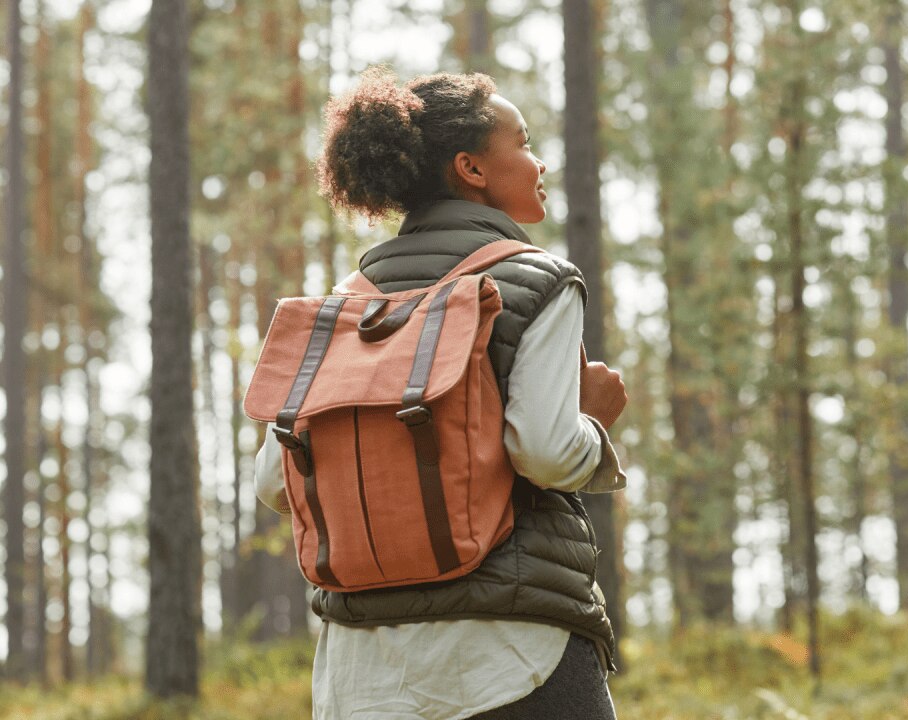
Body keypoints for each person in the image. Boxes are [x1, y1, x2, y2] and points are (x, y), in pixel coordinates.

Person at [253, 67, 628, 720]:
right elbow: (543, 452)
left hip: (360, 671)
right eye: (524, 140)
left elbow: (275, 483)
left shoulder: (344, 305)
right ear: (471, 168)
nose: (539, 161)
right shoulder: (535, 279)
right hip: (512, 653)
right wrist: (592, 423)